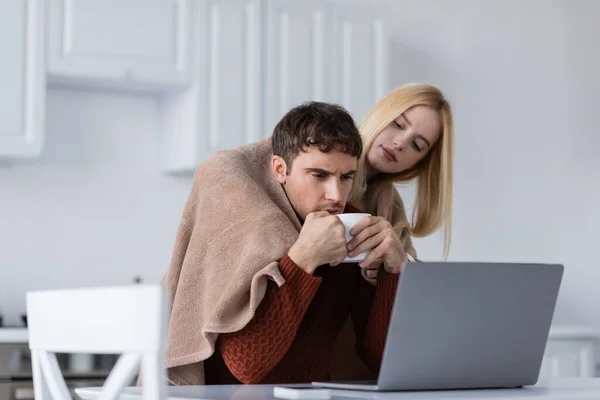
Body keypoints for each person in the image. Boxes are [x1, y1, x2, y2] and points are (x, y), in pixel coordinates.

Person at [163, 101, 409, 386]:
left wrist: (393, 272)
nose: (335, 195)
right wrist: (303, 260)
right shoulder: (251, 227)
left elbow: (383, 361)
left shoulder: (353, 226)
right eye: (319, 175)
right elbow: (247, 367)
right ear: (280, 169)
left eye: (346, 177)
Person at [348, 83, 455, 281]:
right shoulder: (315, 154)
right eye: (397, 124)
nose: (399, 143)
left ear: (419, 163)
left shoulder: (391, 207)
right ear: (381, 113)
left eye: (416, 145)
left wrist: (399, 264)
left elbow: (416, 285)